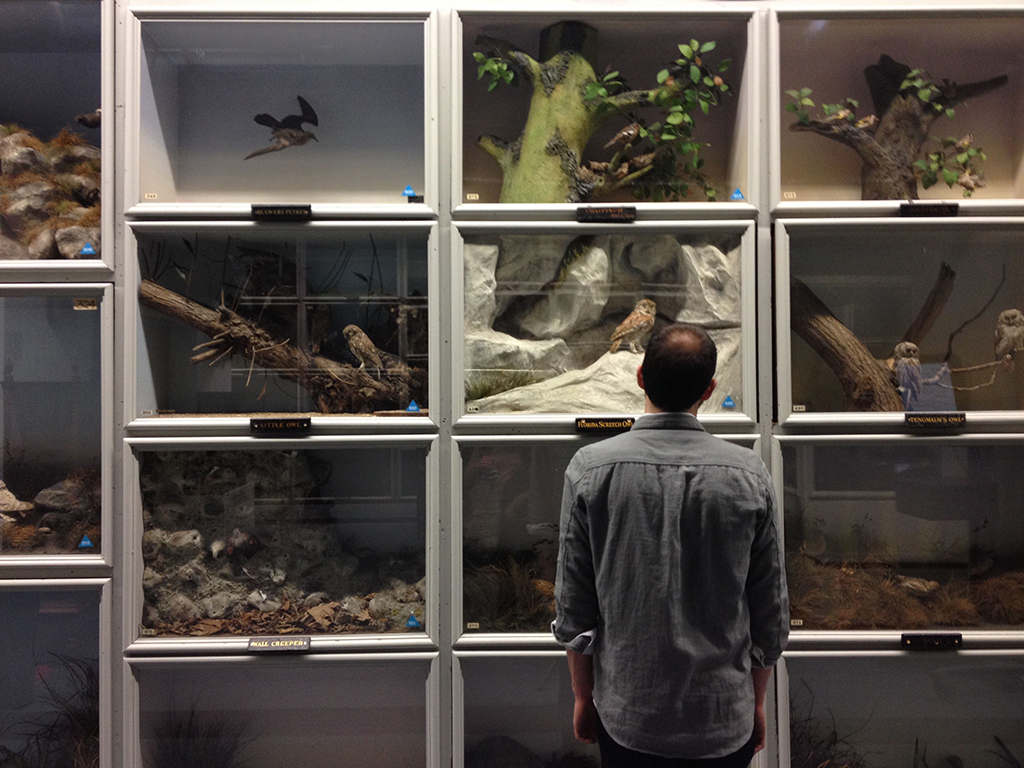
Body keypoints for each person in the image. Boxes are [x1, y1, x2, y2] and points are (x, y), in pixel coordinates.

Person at [553, 322, 789, 767]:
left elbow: (573, 607)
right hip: (723, 719)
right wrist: (757, 702)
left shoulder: (590, 468)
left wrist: (583, 695)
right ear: (710, 390)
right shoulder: (750, 473)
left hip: (628, 720)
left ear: (640, 376)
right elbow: (770, 612)